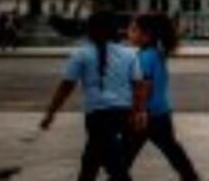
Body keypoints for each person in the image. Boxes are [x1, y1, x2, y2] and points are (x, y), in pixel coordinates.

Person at [40, 10, 148, 181]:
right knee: (92, 160)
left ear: (90, 30)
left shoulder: (81, 54)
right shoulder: (129, 54)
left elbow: (66, 87)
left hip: (98, 116)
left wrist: (51, 113)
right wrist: (139, 112)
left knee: (115, 167)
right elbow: (139, 86)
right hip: (123, 113)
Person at [127, 12, 200, 180]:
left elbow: (144, 86)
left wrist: (139, 111)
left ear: (146, 36)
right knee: (173, 152)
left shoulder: (144, 57)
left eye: (133, 30)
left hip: (145, 115)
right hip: (161, 113)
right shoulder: (157, 53)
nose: (128, 33)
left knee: (124, 157)